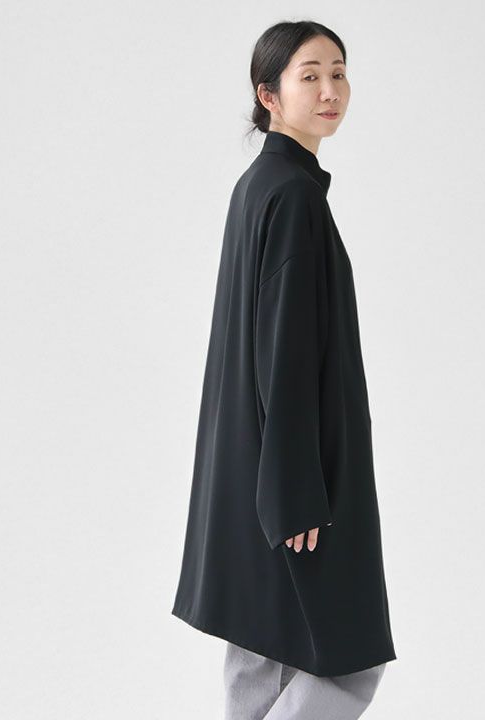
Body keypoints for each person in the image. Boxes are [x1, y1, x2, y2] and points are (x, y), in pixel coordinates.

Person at [171, 20, 397, 719]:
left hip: (252, 470)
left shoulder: (261, 184)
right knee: (344, 661)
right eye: (310, 76)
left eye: (339, 72)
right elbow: (284, 350)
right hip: (293, 485)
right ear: (268, 95)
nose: (331, 90)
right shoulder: (292, 195)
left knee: (261, 654)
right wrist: (295, 490)